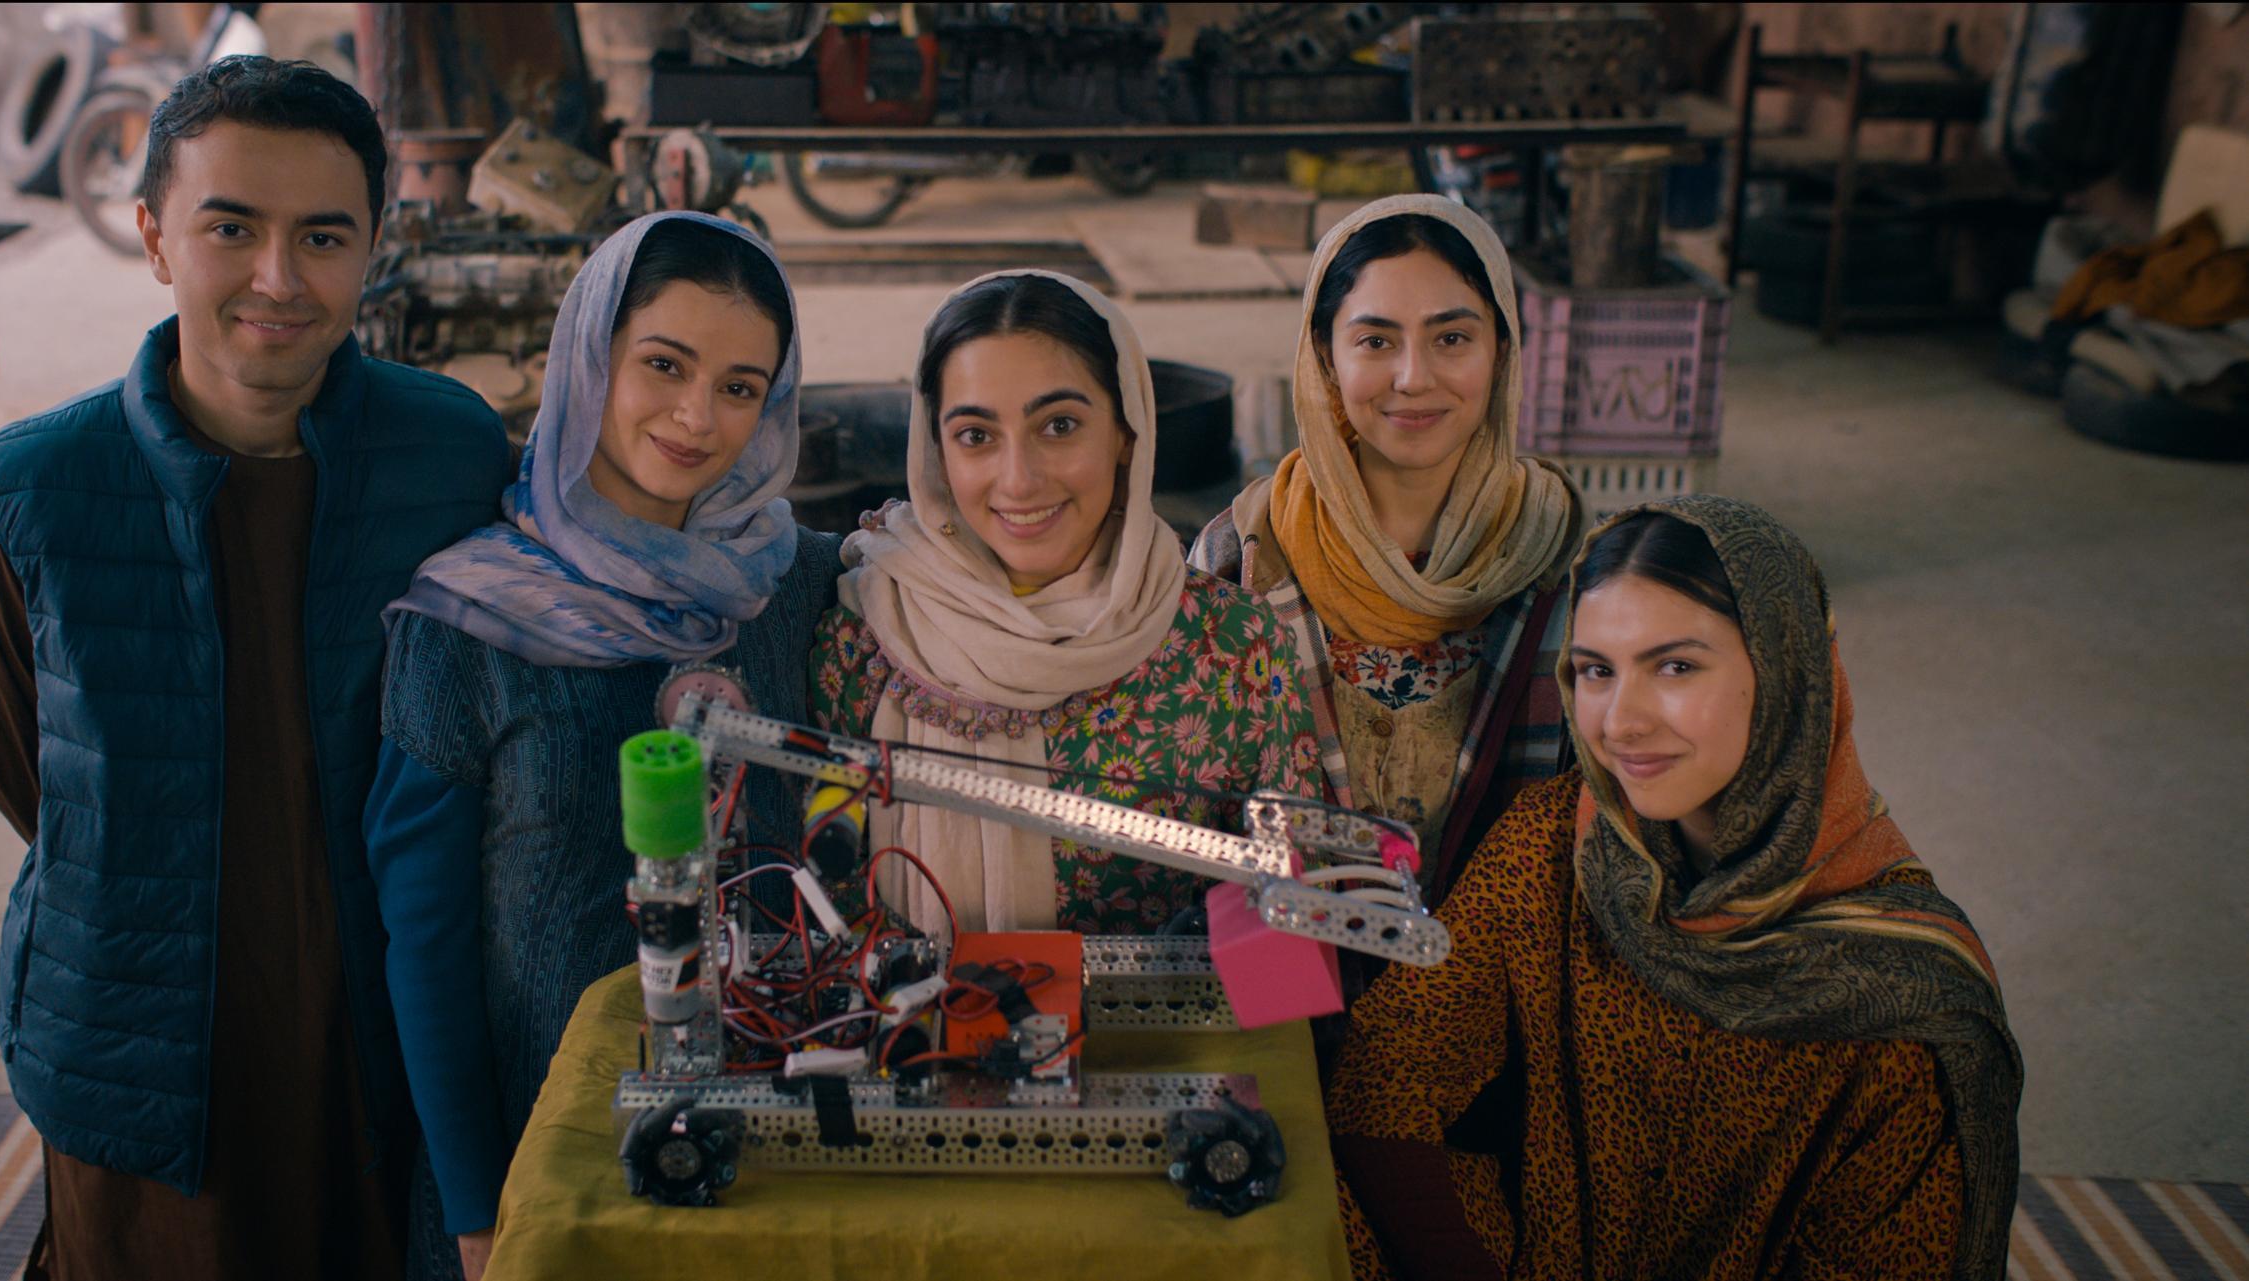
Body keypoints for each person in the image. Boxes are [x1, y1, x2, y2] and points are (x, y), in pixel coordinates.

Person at [0, 56, 515, 1279]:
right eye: (229, 228)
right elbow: (20, 762)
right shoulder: (34, 492)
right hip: (138, 1051)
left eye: (321, 236)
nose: (278, 279)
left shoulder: (450, 456)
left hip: (386, 1057)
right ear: (153, 237)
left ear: (375, 246)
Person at [1325, 496, 2021, 1281]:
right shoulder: (1562, 841)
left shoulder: (1899, 1004)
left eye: (1675, 666)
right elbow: (1386, 1074)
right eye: (1595, 670)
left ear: (1786, 669)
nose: (1620, 722)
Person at [364, 212, 841, 1281]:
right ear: (588, 356)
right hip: (541, 1151)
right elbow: (424, 947)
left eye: (739, 386)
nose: (696, 417)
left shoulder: (791, 584)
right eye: (662, 365)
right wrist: (479, 1206)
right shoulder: (466, 621)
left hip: (761, 1131)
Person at [812, 270, 1320, 936]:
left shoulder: (1234, 652)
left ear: (1125, 434)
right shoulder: (865, 634)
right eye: (975, 435)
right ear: (934, 450)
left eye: (1058, 425)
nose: (1018, 478)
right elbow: (819, 909)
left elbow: (1287, 933)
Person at [1191, 194, 1585, 904]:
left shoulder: (1570, 559)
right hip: (1292, 977)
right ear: (1323, 356)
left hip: (1503, 975)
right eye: (1375, 341)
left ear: (1502, 350)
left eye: (1451, 338)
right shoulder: (1243, 555)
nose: (1413, 377)